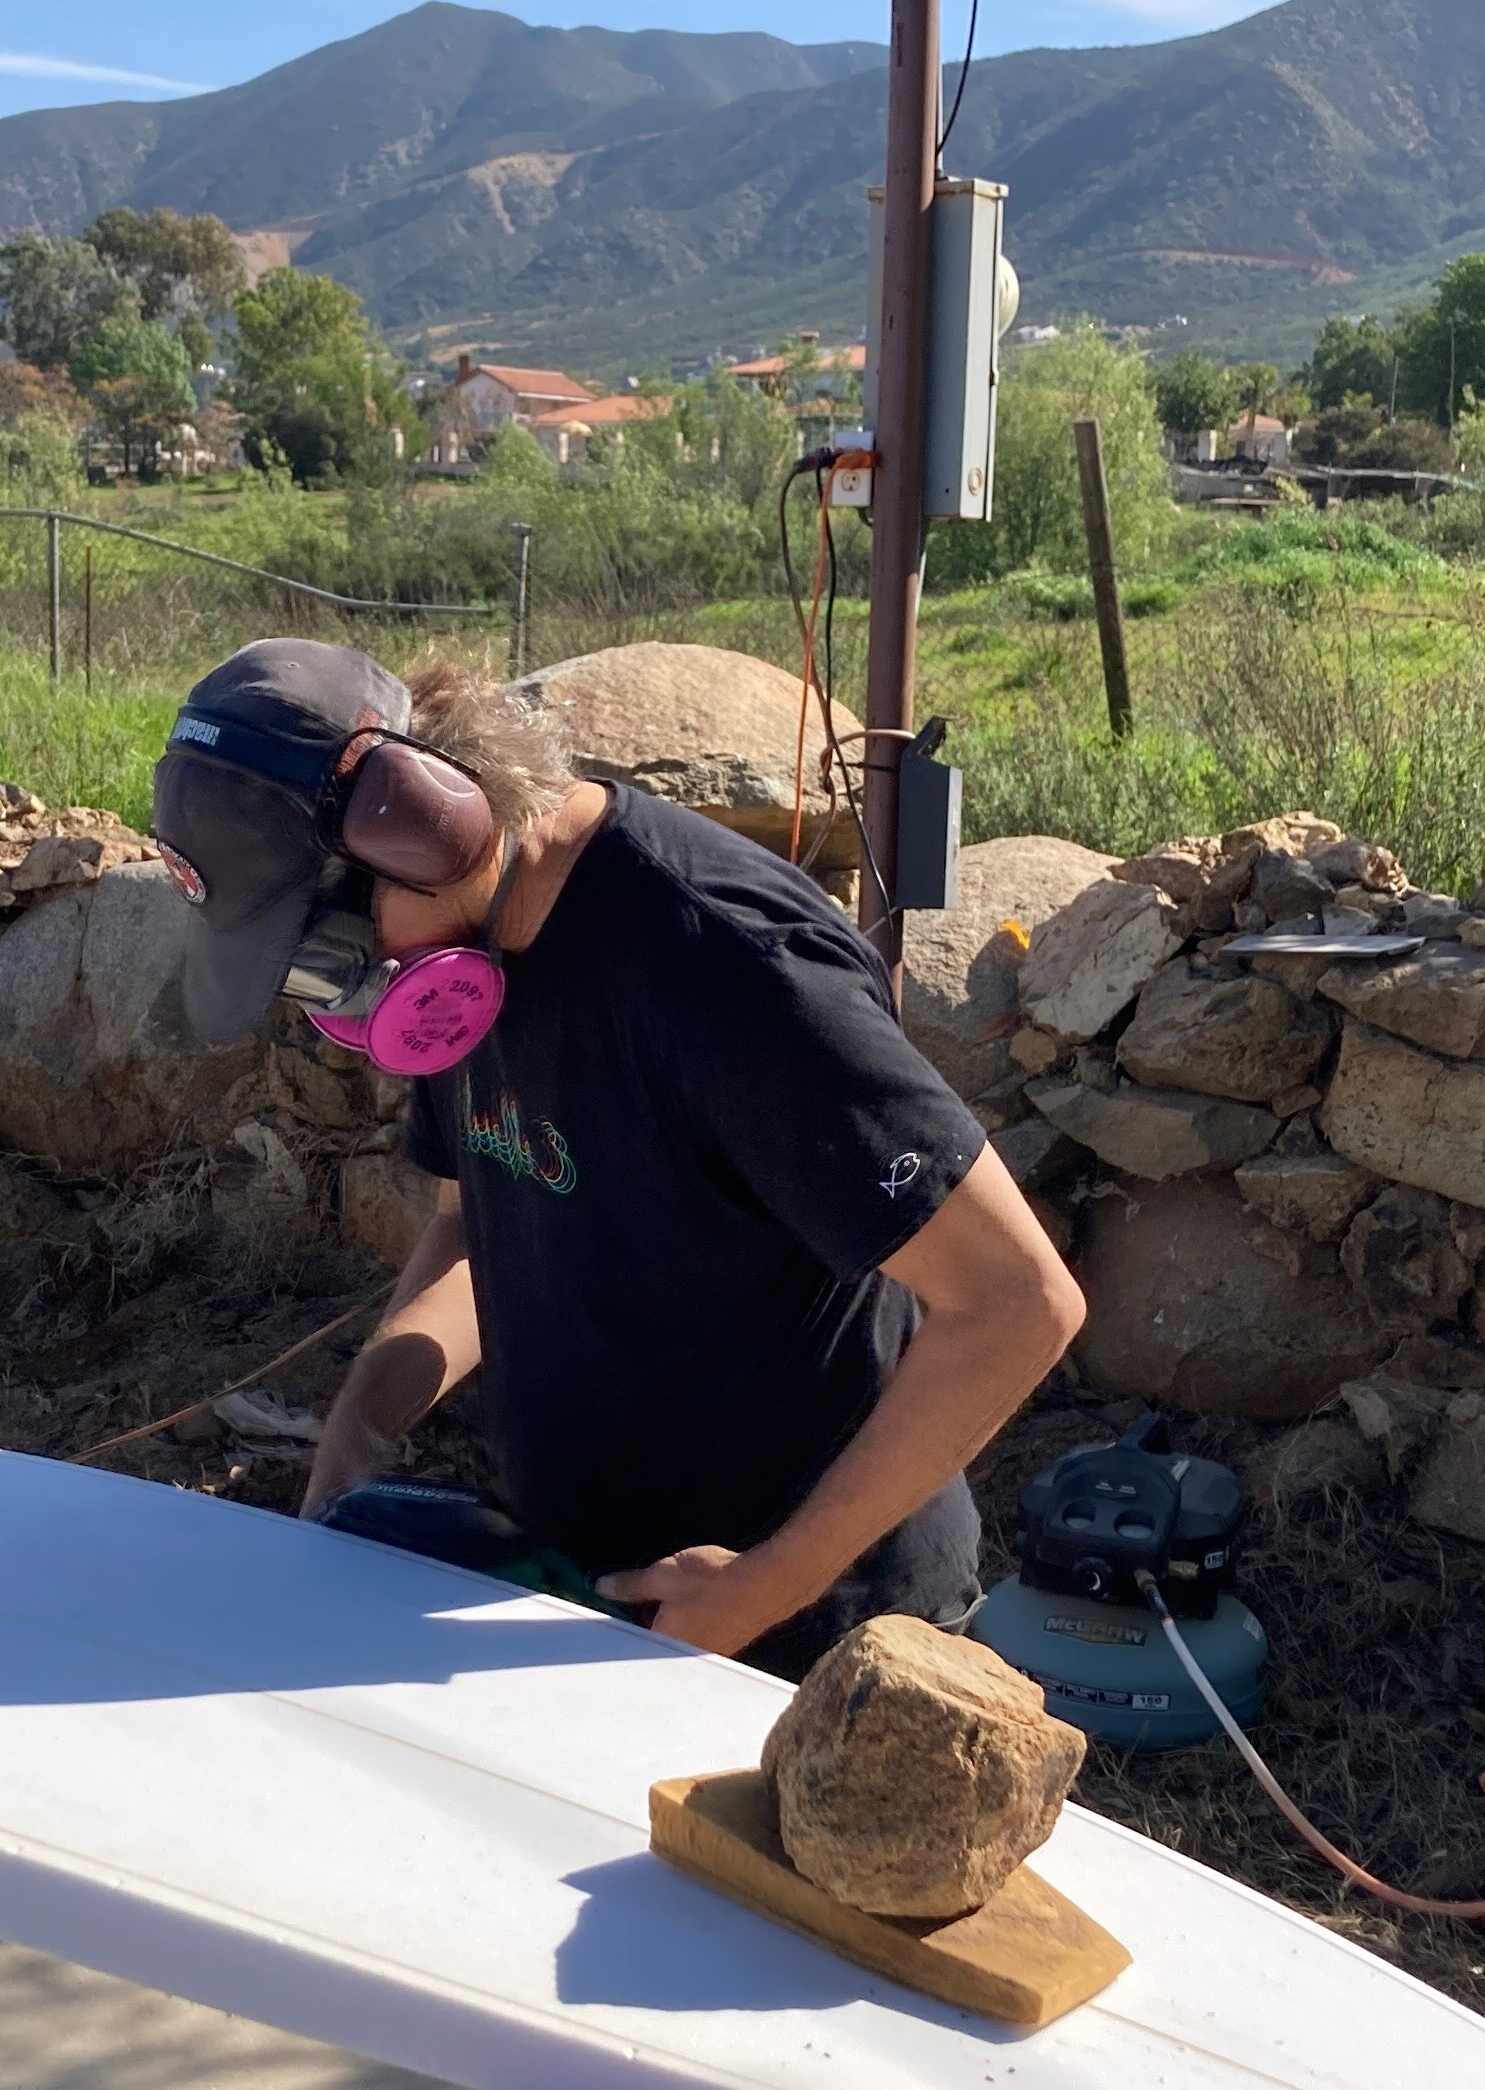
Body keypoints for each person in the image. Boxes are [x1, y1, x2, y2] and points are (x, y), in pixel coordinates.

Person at [151, 638, 1086, 1678]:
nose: (351, 997)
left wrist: (769, 1582)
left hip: (814, 1627)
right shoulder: (464, 955)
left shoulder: (733, 971)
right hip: (591, 1592)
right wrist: (368, 1412)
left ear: (421, 827)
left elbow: (1018, 1303)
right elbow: (480, 1222)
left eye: (331, 955)